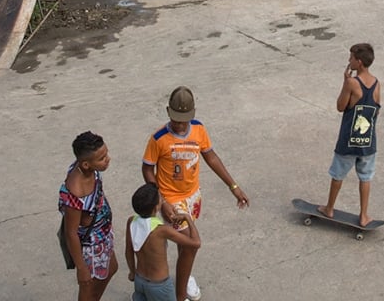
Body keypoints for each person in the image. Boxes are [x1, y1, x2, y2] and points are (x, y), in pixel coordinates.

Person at [142, 86, 248, 301]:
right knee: (191, 245)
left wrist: (233, 186)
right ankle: (180, 297)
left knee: (185, 247)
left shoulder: (199, 129)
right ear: (167, 112)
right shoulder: (158, 138)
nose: (181, 125)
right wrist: (161, 200)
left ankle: (185, 274)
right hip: (171, 199)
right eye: (176, 120)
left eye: (185, 120)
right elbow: (147, 168)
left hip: (193, 197)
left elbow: (211, 157)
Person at [317, 43, 381, 228]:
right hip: (368, 142)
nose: (349, 60)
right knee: (366, 177)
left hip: (348, 141)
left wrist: (345, 83)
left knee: (338, 175)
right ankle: (364, 215)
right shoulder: (377, 84)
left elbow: (340, 106)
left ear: (359, 62)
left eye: (351, 57)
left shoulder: (352, 83)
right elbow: (376, 111)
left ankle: (329, 208)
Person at [60, 131, 117, 301]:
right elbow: (71, 232)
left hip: (102, 234)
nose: (107, 159)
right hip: (90, 245)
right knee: (87, 284)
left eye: (106, 154)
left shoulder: (89, 168)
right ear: (85, 164)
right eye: (101, 158)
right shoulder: (76, 192)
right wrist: (81, 268)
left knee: (111, 268)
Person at [126, 183, 201, 301]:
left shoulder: (131, 221)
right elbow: (196, 243)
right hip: (159, 285)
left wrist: (132, 272)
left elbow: (128, 251)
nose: (162, 200)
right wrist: (187, 218)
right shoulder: (162, 230)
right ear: (156, 207)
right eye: (160, 198)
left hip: (140, 280)